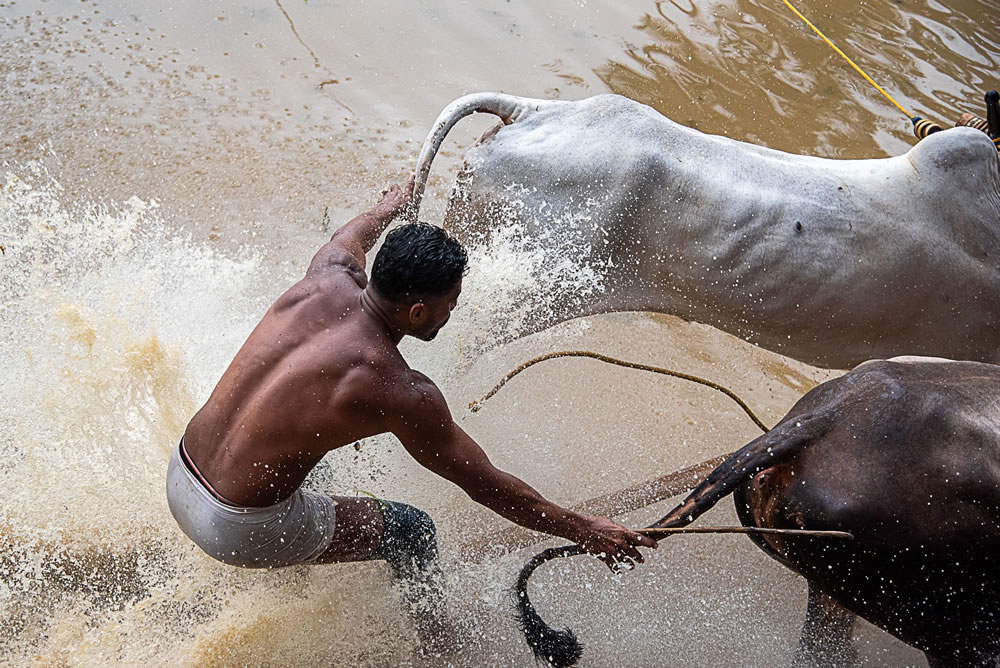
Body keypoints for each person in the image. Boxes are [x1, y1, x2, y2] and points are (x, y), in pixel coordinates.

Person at [165, 175, 656, 644]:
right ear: (417, 312)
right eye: (450, 304)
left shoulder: (327, 275)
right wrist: (584, 528)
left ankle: (289, 571)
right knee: (412, 530)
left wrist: (387, 208)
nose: (452, 313)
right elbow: (484, 484)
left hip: (182, 472)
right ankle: (439, 648)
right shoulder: (399, 391)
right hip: (238, 528)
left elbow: (351, 233)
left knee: (320, 459)